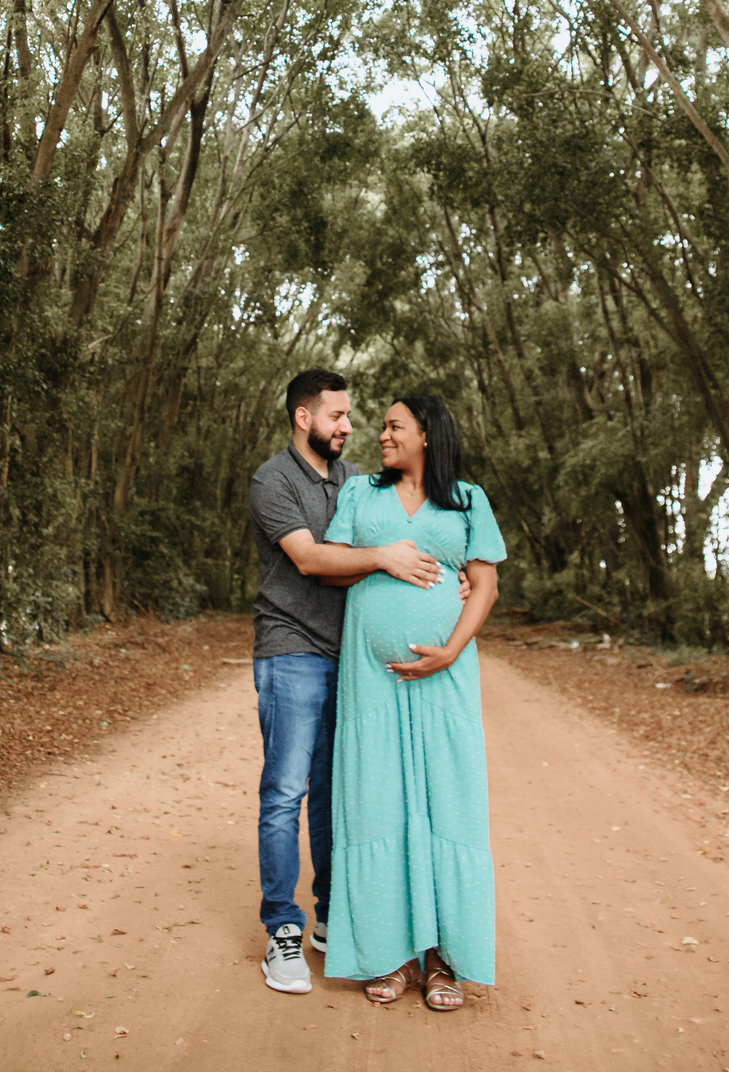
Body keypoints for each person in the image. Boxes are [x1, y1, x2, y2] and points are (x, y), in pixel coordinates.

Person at [248, 368, 452, 996]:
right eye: (338, 416)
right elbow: (309, 558)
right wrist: (384, 556)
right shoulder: (272, 480)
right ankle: (283, 929)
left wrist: (454, 578)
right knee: (286, 791)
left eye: (350, 417)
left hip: (353, 657)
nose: (349, 426)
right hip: (292, 650)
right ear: (303, 417)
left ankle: (333, 914)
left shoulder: (357, 481)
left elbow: (419, 534)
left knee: (338, 791)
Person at [322, 391, 506, 1010]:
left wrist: (451, 649)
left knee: (445, 805)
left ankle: (445, 960)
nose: (383, 435)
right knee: (377, 804)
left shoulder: (468, 499)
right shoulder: (360, 495)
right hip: (370, 682)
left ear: (428, 433)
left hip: (445, 677)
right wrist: (381, 561)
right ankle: (391, 956)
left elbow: (484, 583)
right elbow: (332, 568)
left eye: (395, 426)